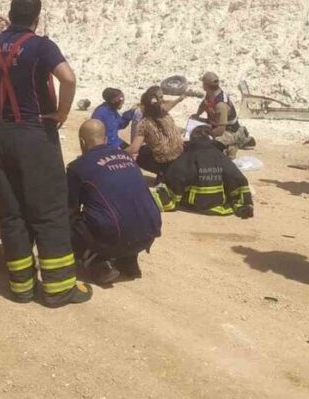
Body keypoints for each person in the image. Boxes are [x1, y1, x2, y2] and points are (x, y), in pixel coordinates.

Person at [0, 0, 92, 307]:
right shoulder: (41, 45)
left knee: (13, 212)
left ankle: (21, 287)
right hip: (35, 135)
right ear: (36, 19)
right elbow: (68, 79)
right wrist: (62, 113)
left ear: (10, 14)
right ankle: (58, 289)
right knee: (49, 211)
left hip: (2, 135)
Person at [67, 120, 162, 284]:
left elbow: (70, 208)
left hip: (115, 237)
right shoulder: (127, 157)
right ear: (105, 139)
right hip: (149, 232)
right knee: (123, 206)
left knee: (67, 220)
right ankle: (128, 260)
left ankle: (98, 263)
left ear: (82, 142)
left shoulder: (77, 167)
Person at [163, 126, 253, 217]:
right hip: (217, 202)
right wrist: (244, 203)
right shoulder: (220, 156)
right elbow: (235, 176)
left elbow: (177, 176)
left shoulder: (188, 155)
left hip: (193, 204)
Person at [128, 86, 186, 180]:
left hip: (165, 161)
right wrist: (178, 99)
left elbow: (134, 149)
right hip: (179, 155)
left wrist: (119, 153)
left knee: (139, 154)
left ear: (143, 106)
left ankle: (162, 172)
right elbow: (168, 106)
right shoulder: (165, 114)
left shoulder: (144, 123)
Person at [193, 72, 253, 156]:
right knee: (194, 126)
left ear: (205, 85)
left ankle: (234, 143)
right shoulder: (210, 94)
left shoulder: (221, 104)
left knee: (208, 144)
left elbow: (220, 130)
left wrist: (206, 134)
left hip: (228, 130)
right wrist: (197, 116)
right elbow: (204, 104)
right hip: (214, 124)